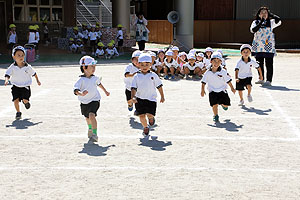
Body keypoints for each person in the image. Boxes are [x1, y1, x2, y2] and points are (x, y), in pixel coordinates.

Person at [73, 56, 110, 143]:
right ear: (84, 67)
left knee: (91, 115)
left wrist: (105, 91)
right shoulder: (80, 80)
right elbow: (75, 90)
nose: (94, 68)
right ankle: (90, 128)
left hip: (95, 99)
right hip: (84, 101)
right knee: (87, 117)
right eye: (91, 66)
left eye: (94, 66)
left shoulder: (95, 78)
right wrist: (81, 93)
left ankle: (95, 134)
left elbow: (99, 84)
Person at [131, 53, 165, 138]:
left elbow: (159, 86)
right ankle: (145, 127)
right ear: (138, 65)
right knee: (141, 116)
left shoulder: (153, 75)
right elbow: (133, 88)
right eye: (142, 65)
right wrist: (133, 97)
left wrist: (162, 96)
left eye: (147, 64)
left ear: (151, 64)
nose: (144, 66)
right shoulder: (136, 76)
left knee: (150, 114)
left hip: (151, 99)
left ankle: (151, 118)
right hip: (140, 99)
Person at [4, 46, 41, 120]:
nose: (21, 57)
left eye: (22, 55)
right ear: (14, 57)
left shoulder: (27, 67)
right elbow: (7, 74)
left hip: (25, 86)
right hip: (15, 86)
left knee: (25, 99)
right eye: (18, 55)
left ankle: (26, 102)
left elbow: (34, 73)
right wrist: (6, 80)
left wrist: (37, 80)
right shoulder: (12, 67)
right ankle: (18, 112)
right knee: (15, 100)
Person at [250, 6, 281, 86]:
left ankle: (269, 80)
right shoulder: (255, 22)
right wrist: (261, 22)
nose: (263, 14)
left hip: (268, 46)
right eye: (262, 12)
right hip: (258, 45)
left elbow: (279, 20)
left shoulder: (271, 22)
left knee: (269, 63)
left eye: (265, 12)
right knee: (259, 63)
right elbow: (253, 30)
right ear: (259, 14)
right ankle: (261, 78)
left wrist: (271, 15)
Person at [201, 52, 235, 122]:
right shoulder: (207, 72)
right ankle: (215, 115)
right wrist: (202, 90)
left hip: (222, 90)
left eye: (218, 61)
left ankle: (222, 104)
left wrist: (232, 88)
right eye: (214, 61)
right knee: (214, 104)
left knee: (226, 105)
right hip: (212, 91)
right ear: (211, 61)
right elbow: (203, 82)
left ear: (221, 62)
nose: (216, 63)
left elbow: (228, 80)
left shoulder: (223, 71)